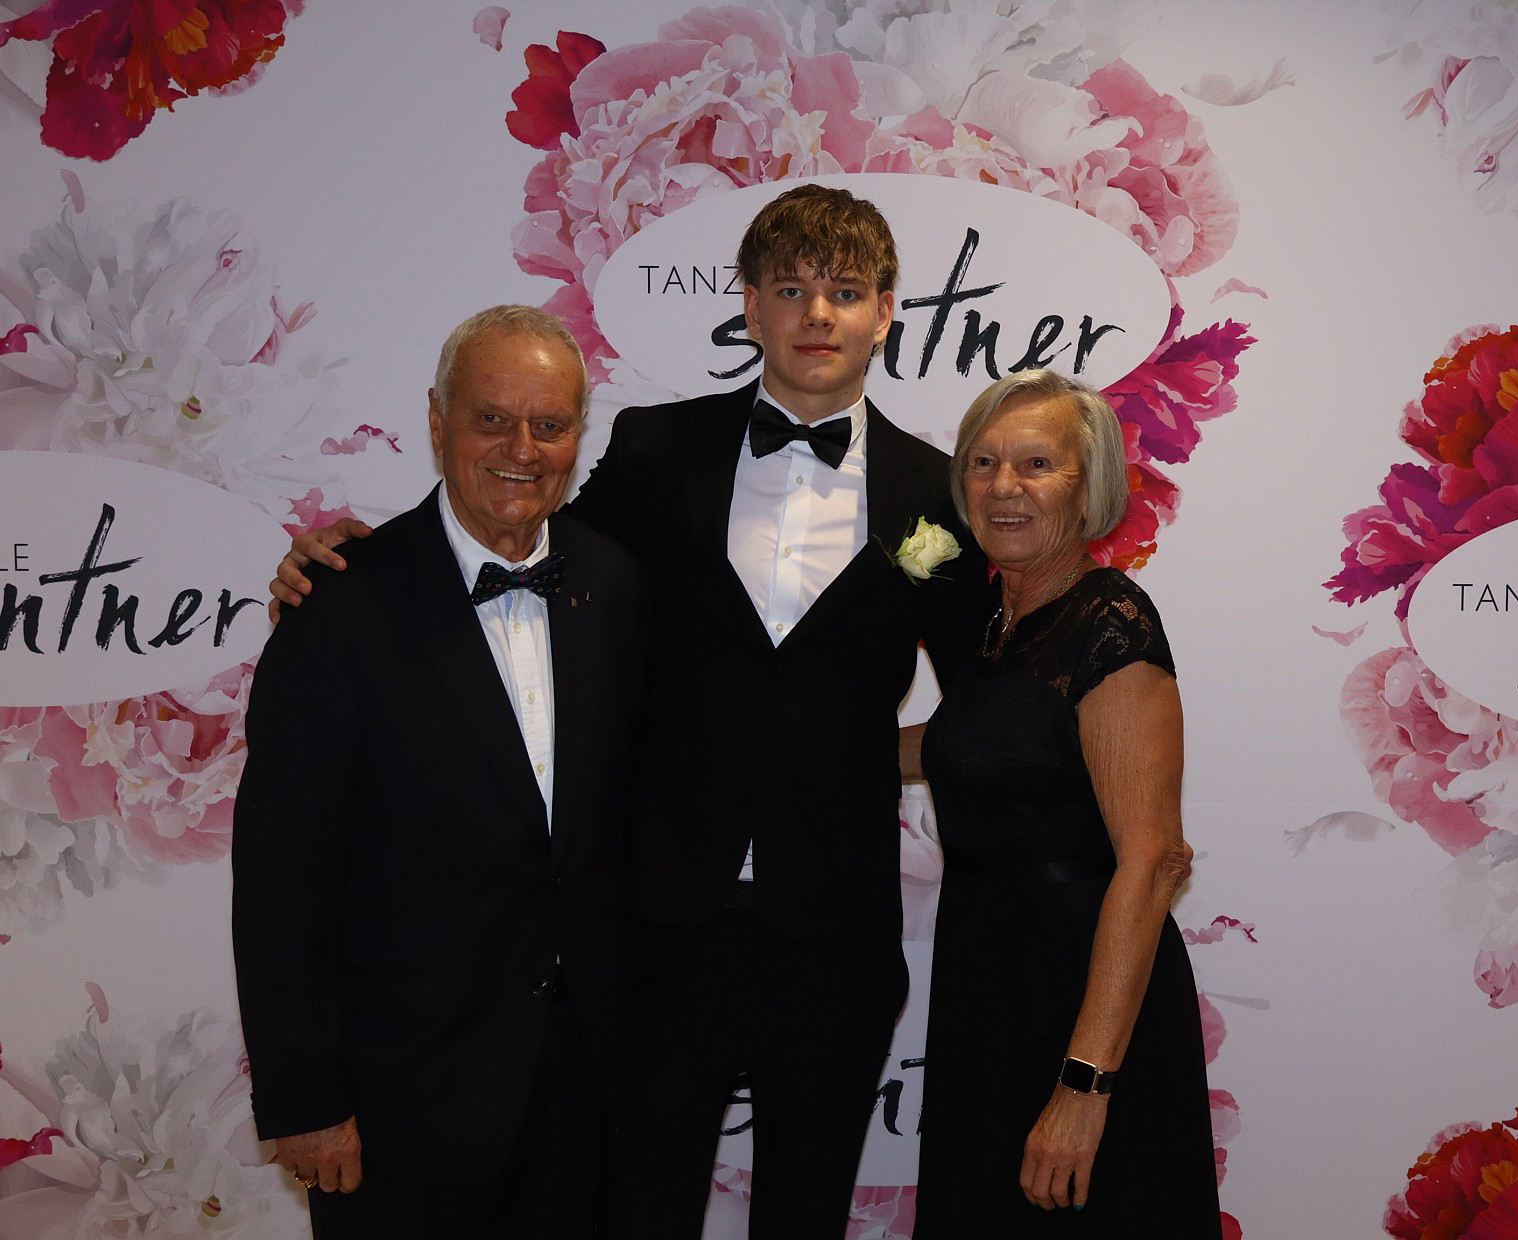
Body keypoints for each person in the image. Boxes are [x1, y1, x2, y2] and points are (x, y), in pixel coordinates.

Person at [268, 186, 988, 1237]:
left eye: (844, 292)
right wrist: (355, 557)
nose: (817, 315)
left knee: (807, 1216)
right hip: (655, 931)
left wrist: (872, 756)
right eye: (791, 290)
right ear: (750, 306)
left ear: (885, 313)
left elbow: (984, 697)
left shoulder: (936, 496)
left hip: (835, 936)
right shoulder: (657, 450)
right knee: (633, 1215)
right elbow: (516, 534)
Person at [232, 305, 649, 1239]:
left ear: (579, 435)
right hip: (398, 1106)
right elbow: (280, 881)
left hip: (583, 1097)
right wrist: (306, 1099)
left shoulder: (617, 586)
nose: (522, 449)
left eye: (549, 425)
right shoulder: (340, 607)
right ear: (436, 420)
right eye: (491, 418)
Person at [914, 369, 1220, 1235]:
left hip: (1084, 1014)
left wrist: (1085, 1087)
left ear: (1090, 491)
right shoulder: (994, 619)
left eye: (1037, 464)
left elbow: (1152, 860)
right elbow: (976, 743)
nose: (1003, 486)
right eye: (983, 463)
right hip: (987, 997)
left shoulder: (1110, 621)